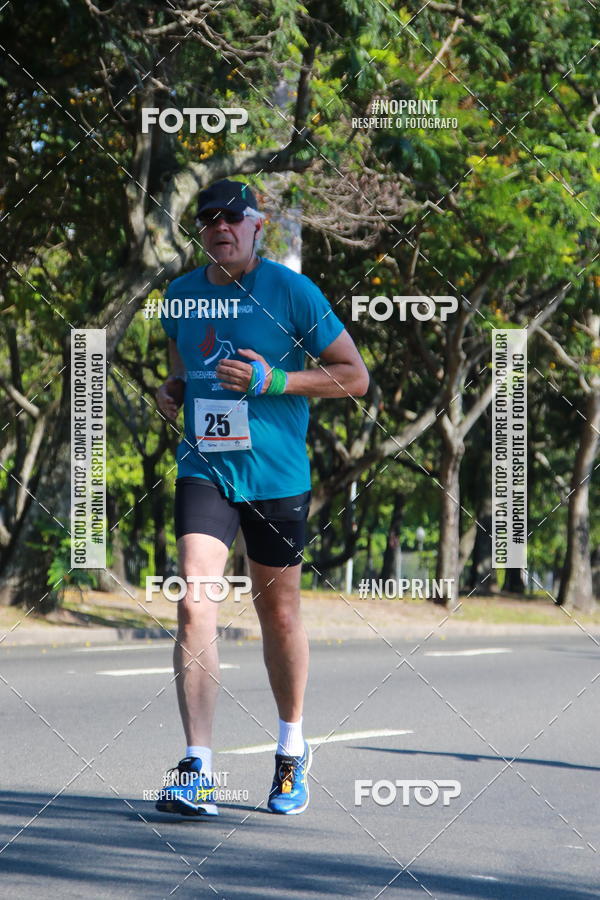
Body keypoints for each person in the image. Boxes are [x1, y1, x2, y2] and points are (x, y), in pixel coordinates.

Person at [154, 178, 369, 817]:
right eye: (208, 219)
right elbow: (183, 368)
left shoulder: (291, 292)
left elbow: (355, 377)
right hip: (206, 467)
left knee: (278, 615)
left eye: (232, 217)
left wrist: (274, 378)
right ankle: (198, 769)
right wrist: (172, 392)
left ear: (257, 226)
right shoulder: (180, 296)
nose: (219, 226)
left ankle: (291, 747)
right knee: (196, 599)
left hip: (276, 476)